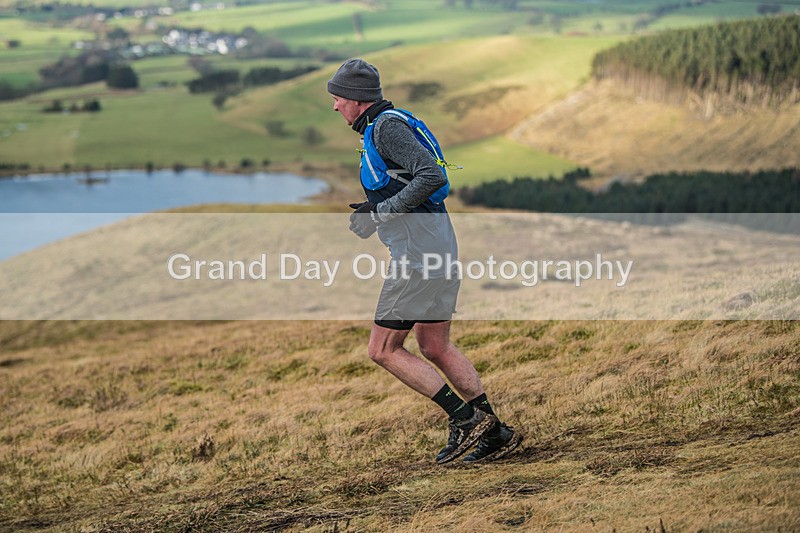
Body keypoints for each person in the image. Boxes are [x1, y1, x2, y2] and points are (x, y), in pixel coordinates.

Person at [327, 58, 522, 463]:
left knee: (382, 349)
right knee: (435, 345)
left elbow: (431, 177)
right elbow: (406, 182)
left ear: (359, 100)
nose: (335, 106)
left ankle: (467, 421)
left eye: (339, 98)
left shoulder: (385, 128)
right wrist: (374, 206)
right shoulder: (385, 124)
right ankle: (495, 433)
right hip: (439, 248)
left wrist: (379, 214)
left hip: (417, 259)